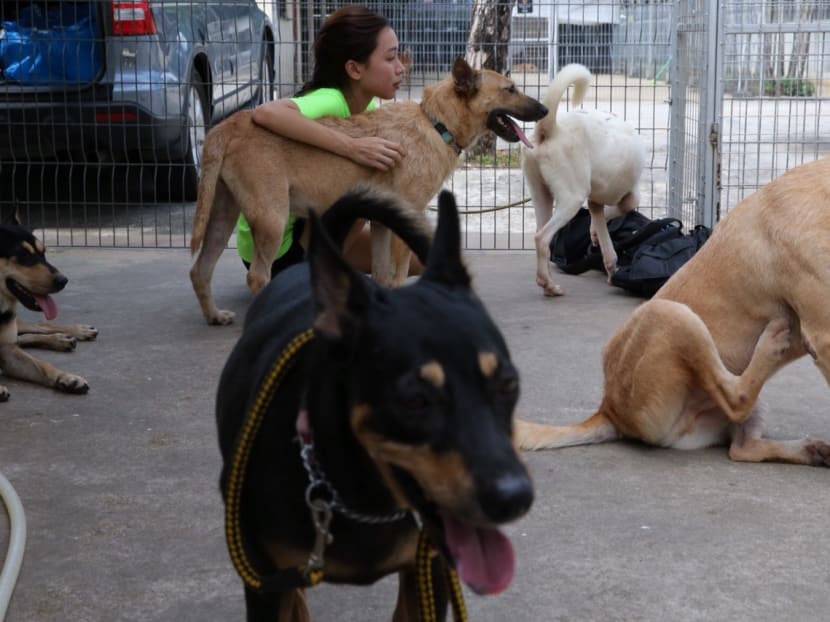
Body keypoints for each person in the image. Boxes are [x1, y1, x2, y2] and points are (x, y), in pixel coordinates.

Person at [237, 5, 422, 277]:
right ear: (355, 69)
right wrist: (353, 147)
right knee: (369, 183)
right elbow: (267, 113)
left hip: (305, 230)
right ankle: (317, 276)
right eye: (391, 58)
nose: (400, 68)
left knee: (423, 259)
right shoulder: (330, 99)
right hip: (277, 249)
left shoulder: (369, 112)